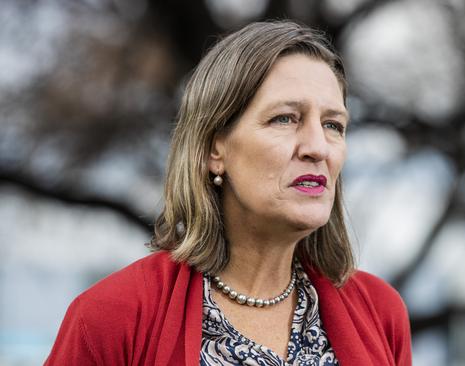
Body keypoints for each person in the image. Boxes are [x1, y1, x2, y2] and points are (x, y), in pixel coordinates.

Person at [45, 20, 412, 365]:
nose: (318, 147)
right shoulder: (112, 317)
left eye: (333, 125)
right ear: (214, 150)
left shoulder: (381, 313)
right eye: (285, 118)